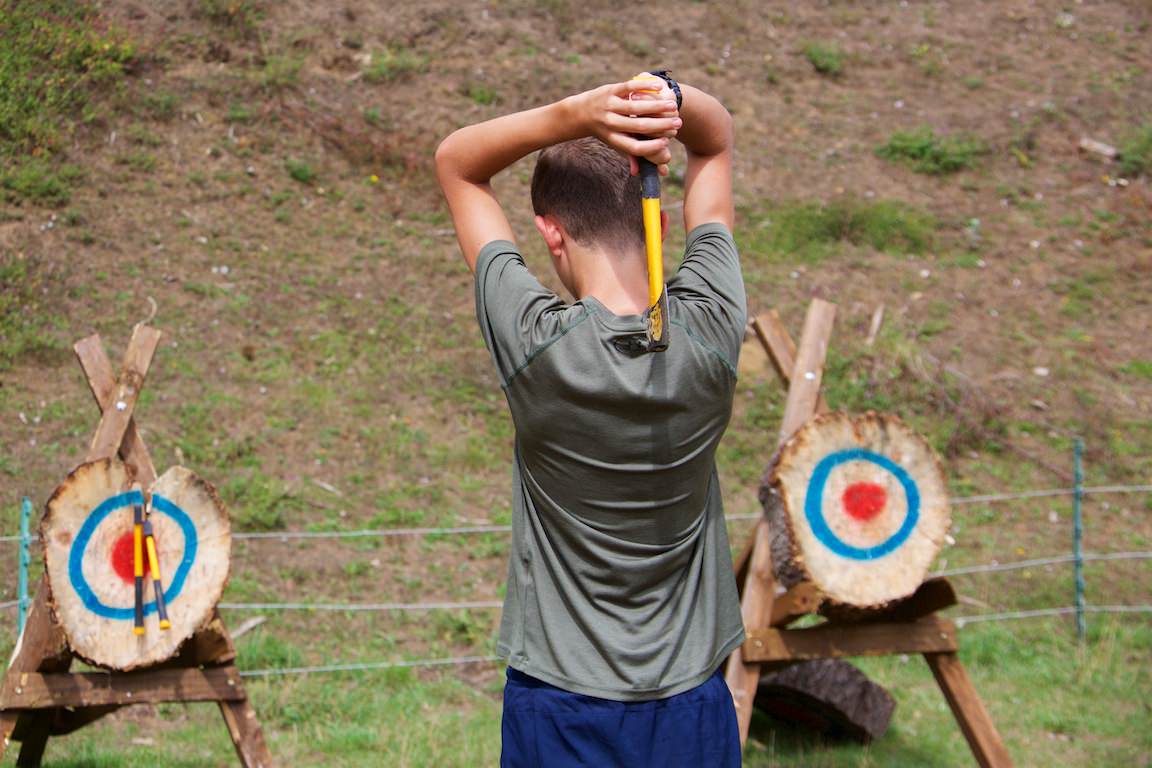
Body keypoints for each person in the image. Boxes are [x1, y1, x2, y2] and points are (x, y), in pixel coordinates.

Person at [435, 75, 746, 768]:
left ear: (550, 234)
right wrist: (667, 98)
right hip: (691, 704)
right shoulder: (715, 330)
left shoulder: (536, 346)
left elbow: (458, 162)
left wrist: (575, 114)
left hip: (560, 705)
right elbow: (716, 144)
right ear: (659, 222)